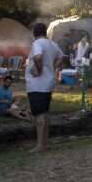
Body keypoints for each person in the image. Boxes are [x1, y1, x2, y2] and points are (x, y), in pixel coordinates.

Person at [26, 22, 64, 153]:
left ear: (34, 33)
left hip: (37, 84)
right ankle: (44, 143)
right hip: (48, 82)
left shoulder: (37, 43)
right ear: (45, 32)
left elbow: (38, 56)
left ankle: (40, 145)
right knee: (45, 113)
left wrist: (39, 68)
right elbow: (61, 56)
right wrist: (52, 67)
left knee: (39, 114)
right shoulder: (52, 44)